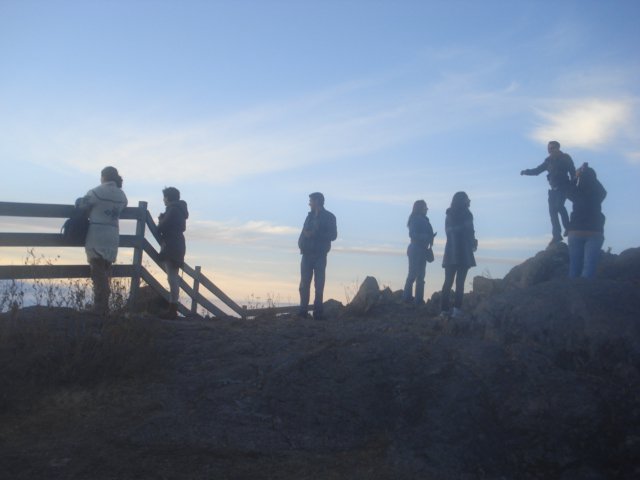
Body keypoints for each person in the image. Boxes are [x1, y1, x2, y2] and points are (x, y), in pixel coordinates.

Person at [76, 166, 128, 315]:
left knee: (97, 272)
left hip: (97, 234)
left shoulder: (97, 192)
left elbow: (82, 205)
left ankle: (100, 307)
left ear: (103, 177)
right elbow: (124, 206)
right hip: (112, 235)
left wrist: (78, 201)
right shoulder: (122, 195)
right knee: (106, 270)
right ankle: (103, 305)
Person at [521, 140, 576, 245]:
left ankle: (568, 227)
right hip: (553, 189)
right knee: (552, 212)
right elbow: (537, 171)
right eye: (549, 149)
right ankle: (556, 236)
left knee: (559, 206)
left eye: (552, 148)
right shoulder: (548, 161)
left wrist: (573, 185)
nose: (550, 151)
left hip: (564, 187)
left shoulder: (565, 158)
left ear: (557, 148)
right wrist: (526, 172)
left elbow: (572, 172)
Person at [297, 192, 337, 320]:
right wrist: (301, 244)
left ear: (317, 201)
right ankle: (303, 311)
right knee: (304, 284)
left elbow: (333, 235)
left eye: (311, 201)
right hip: (306, 255)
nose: (309, 203)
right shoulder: (309, 217)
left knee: (319, 285)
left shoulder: (329, 217)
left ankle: (318, 312)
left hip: (320, 255)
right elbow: (304, 232)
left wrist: (316, 234)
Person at [439, 191, 477, 319]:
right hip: (464, 252)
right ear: (464, 201)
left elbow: (449, 232)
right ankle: (456, 310)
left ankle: (444, 310)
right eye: (467, 199)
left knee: (447, 282)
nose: (469, 201)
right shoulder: (467, 214)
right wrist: (473, 243)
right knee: (460, 283)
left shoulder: (449, 215)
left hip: (450, 252)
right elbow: (470, 231)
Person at [566, 163, 607, 278]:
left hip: (576, 230)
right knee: (589, 267)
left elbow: (567, 190)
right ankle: (586, 288)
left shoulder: (576, 192)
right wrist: (591, 176)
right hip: (595, 231)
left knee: (574, 267)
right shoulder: (598, 194)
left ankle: (572, 288)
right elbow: (603, 191)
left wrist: (576, 176)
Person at [157, 187, 189, 319]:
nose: (163, 200)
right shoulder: (179, 209)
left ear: (168, 198)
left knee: (172, 277)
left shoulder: (173, 209)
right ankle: (173, 308)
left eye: (164, 197)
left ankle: (172, 309)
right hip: (177, 243)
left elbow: (162, 227)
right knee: (173, 276)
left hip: (171, 244)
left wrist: (161, 219)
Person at [402, 200, 435, 305]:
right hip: (416, 249)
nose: (427, 209)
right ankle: (407, 298)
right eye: (425, 208)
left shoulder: (423, 220)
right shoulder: (415, 219)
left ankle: (418, 300)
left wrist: (430, 238)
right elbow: (412, 234)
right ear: (420, 208)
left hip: (421, 249)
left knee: (420, 276)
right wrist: (427, 237)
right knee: (413, 274)